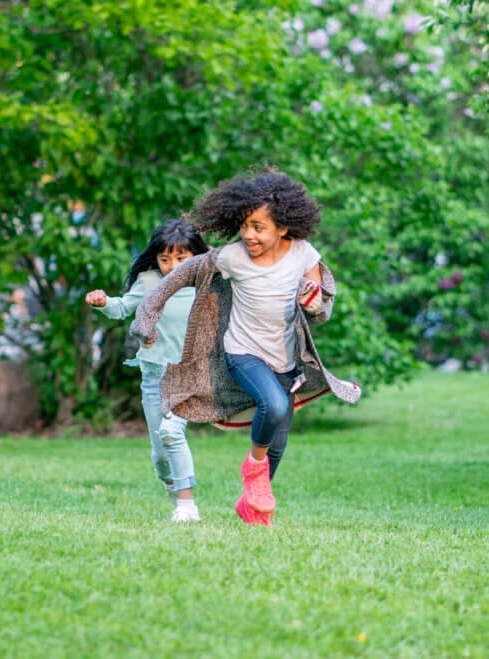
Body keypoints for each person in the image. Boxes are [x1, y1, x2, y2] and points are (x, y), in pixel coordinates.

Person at [131, 169, 361, 526]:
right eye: (245, 225)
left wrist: (313, 302)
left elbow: (321, 310)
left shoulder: (303, 254)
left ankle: (252, 506)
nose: (248, 235)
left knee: (279, 441)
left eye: (258, 227)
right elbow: (175, 278)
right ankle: (253, 468)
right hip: (242, 353)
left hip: (285, 361)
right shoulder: (231, 257)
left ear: (283, 228)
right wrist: (147, 316)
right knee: (273, 403)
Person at [85, 219, 210, 522]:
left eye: (181, 258)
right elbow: (121, 308)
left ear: (196, 255)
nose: (172, 266)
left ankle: (186, 505)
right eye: (165, 258)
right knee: (160, 455)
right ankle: (171, 482)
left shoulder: (208, 283)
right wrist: (102, 302)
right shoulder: (149, 281)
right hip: (154, 377)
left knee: (170, 432)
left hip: (191, 375)